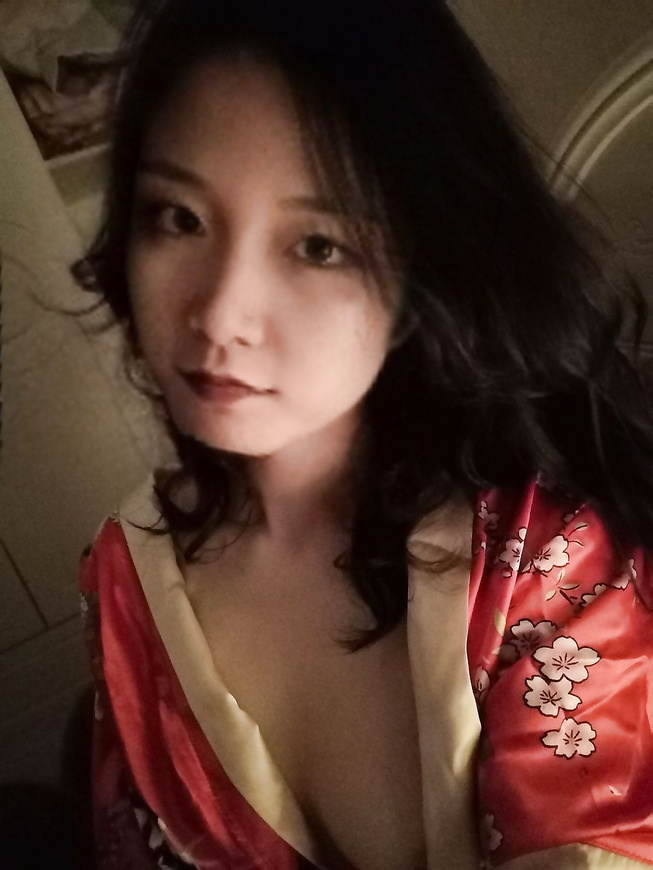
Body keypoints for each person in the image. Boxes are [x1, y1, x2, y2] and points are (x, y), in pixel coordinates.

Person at [73, 0, 653, 867]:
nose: (220, 313)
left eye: (317, 245)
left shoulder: (548, 565)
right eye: (179, 218)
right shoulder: (127, 572)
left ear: (421, 275)